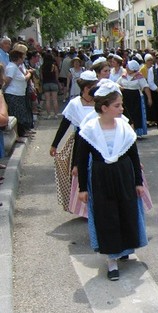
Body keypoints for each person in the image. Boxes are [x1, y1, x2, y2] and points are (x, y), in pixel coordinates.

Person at [76, 80, 148, 281]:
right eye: (117, 106)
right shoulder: (89, 130)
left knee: (126, 211)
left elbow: (134, 156)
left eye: (121, 105)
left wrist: (138, 182)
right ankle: (111, 260)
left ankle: (124, 247)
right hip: (101, 176)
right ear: (104, 107)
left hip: (123, 174)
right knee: (107, 216)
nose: (122, 109)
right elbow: (82, 161)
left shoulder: (124, 127)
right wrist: (83, 188)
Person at [50, 70, 99, 215]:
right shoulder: (75, 104)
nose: (92, 90)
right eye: (89, 87)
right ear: (83, 88)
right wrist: (54, 144)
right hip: (81, 142)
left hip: (98, 141)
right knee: (80, 172)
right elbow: (64, 124)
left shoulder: (100, 102)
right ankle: (83, 208)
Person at [4, 47, 35, 140]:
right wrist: (29, 74)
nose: (23, 60)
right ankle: (18, 135)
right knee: (16, 114)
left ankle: (21, 132)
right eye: (22, 58)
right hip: (13, 94)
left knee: (20, 114)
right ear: (18, 58)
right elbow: (8, 80)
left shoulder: (16, 67)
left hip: (19, 94)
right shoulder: (12, 67)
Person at [117, 60, 152, 139]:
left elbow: (145, 87)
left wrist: (149, 98)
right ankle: (126, 132)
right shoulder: (124, 75)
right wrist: (120, 87)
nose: (126, 67)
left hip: (135, 97)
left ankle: (137, 132)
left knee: (136, 114)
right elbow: (117, 84)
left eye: (128, 66)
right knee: (127, 114)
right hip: (125, 97)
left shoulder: (139, 76)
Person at [40, 53, 60, 119]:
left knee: (47, 100)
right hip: (53, 83)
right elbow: (57, 76)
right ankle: (56, 114)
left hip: (46, 83)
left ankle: (49, 115)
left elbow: (41, 77)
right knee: (55, 100)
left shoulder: (42, 67)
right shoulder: (54, 66)